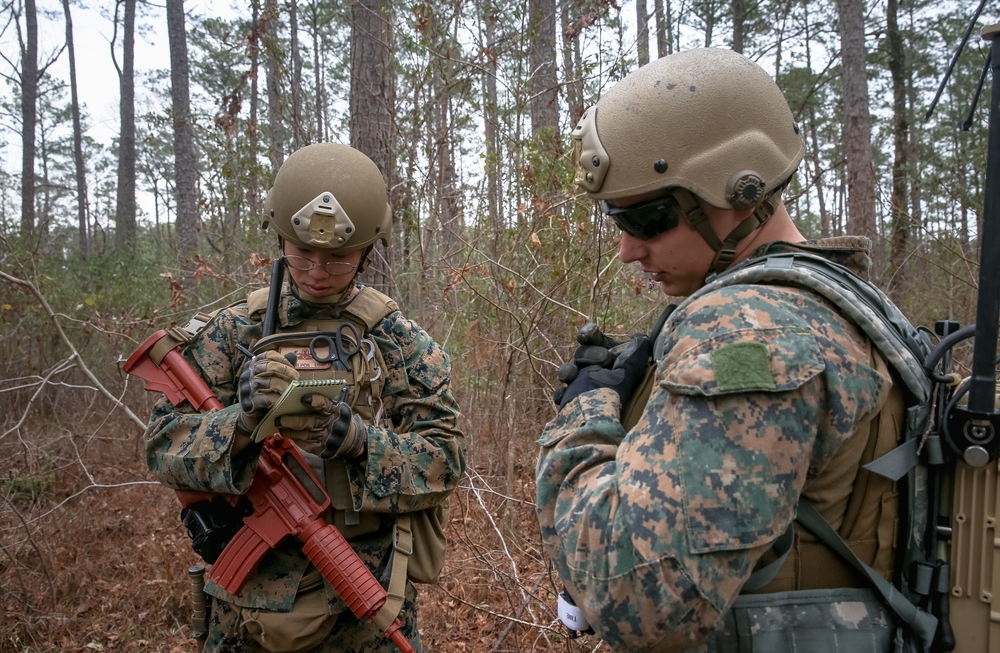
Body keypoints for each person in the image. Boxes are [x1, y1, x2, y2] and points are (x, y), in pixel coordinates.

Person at [536, 47, 923, 651]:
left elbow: (637, 598)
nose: (627, 252)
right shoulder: (838, 299)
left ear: (738, 193)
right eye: (618, 223)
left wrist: (583, 420)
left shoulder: (749, 331)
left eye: (648, 220)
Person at [144, 142, 466, 652]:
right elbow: (163, 448)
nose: (317, 271)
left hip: (366, 592)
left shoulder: (400, 343)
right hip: (248, 608)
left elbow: (446, 460)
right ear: (280, 238)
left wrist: (361, 443)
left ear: (366, 250)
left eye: (338, 258)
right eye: (302, 253)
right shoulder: (231, 334)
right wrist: (241, 423)